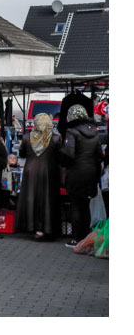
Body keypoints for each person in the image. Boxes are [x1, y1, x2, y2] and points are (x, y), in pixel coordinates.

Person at [60, 105, 104, 248]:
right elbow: (99, 156)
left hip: (76, 174)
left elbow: (69, 154)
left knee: (76, 207)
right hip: (91, 174)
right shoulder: (95, 132)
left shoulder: (72, 132)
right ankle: (86, 238)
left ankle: (77, 239)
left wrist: (64, 163)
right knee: (86, 206)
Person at [16, 113, 62, 241]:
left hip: (30, 171)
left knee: (32, 199)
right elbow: (60, 156)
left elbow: (22, 153)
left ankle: (34, 228)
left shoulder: (26, 137)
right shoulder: (56, 138)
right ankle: (47, 229)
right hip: (49, 172)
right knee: (48, 199)